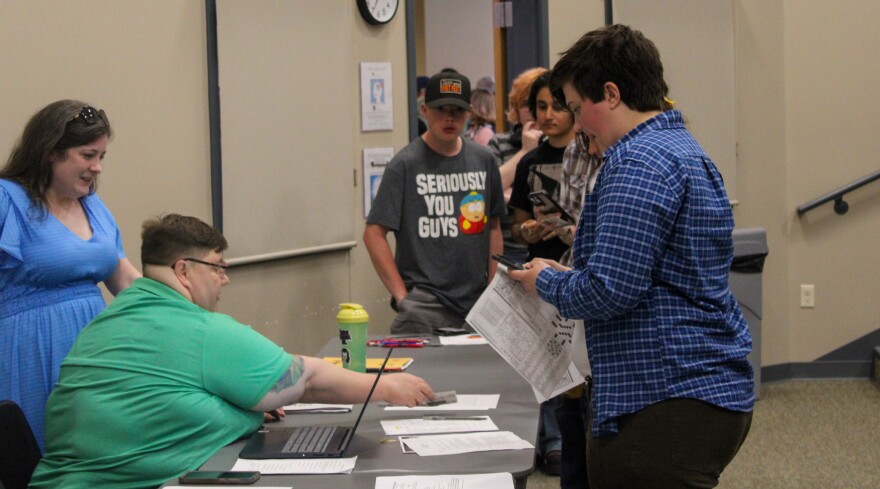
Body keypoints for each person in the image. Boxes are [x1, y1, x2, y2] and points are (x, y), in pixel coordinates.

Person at [510, 25, 754, 488]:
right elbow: (649, 272)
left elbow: (609, 291)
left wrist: (544, 281)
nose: (577, 124)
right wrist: (573, 275)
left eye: (579, 109)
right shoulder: (682, 149)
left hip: (663, 397)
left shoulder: (637, 162)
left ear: (611, 94)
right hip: (699, 390)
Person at [28, 214, 435, 488]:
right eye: (217, 267)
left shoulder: (107, 322)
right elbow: (304, 378)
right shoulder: (199, 330)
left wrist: (247, 403)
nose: (225, 280)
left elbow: (169, 404)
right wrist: (383, 387)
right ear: (184, 271)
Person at [0, 100, 141, 452]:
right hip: (26, 353)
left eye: (102, 157)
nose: (97, 168)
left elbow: (125, 279)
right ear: (50, 152)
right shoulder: (7, 199)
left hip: (89, 355)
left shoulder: (94, 206)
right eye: (87, 155)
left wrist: (186, 320)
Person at [364, 70, 505, 335]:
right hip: (424, 302)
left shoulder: (484, 160)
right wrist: (402, 296)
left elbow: (494, 227)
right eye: (440, 110)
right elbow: (373, 234)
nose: (449, 118)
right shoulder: (405, 165)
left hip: (475, 302)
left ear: (469, 113)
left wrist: (493, 290)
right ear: (425, 110)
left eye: (457, 110)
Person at [506, 70, 578, 477]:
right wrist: (528, 228)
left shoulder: (587, 155)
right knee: (543, 361)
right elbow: (516, 223)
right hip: (538, 270)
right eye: (541, 108)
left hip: (575, 271)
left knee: (571, 362)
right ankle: (546, 439)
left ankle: (566, 441)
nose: (549, 115)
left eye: (557, 106)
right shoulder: (531, 162)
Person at [552, 129, 604, 489]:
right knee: (571, 419)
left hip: (596, 295)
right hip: (572, 284)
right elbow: (569, 222)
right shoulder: (575, 150)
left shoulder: (634, 159)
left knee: (599, 435)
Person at [487, 67, 547, 263]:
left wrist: (510, 196)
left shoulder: (561, 145)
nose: (532, 112)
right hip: (507, 247)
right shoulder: (499, 142)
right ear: (515, 108)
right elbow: (489, 189)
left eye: (538, 105)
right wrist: (525, 151)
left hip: (547, 248)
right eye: (525, 105)